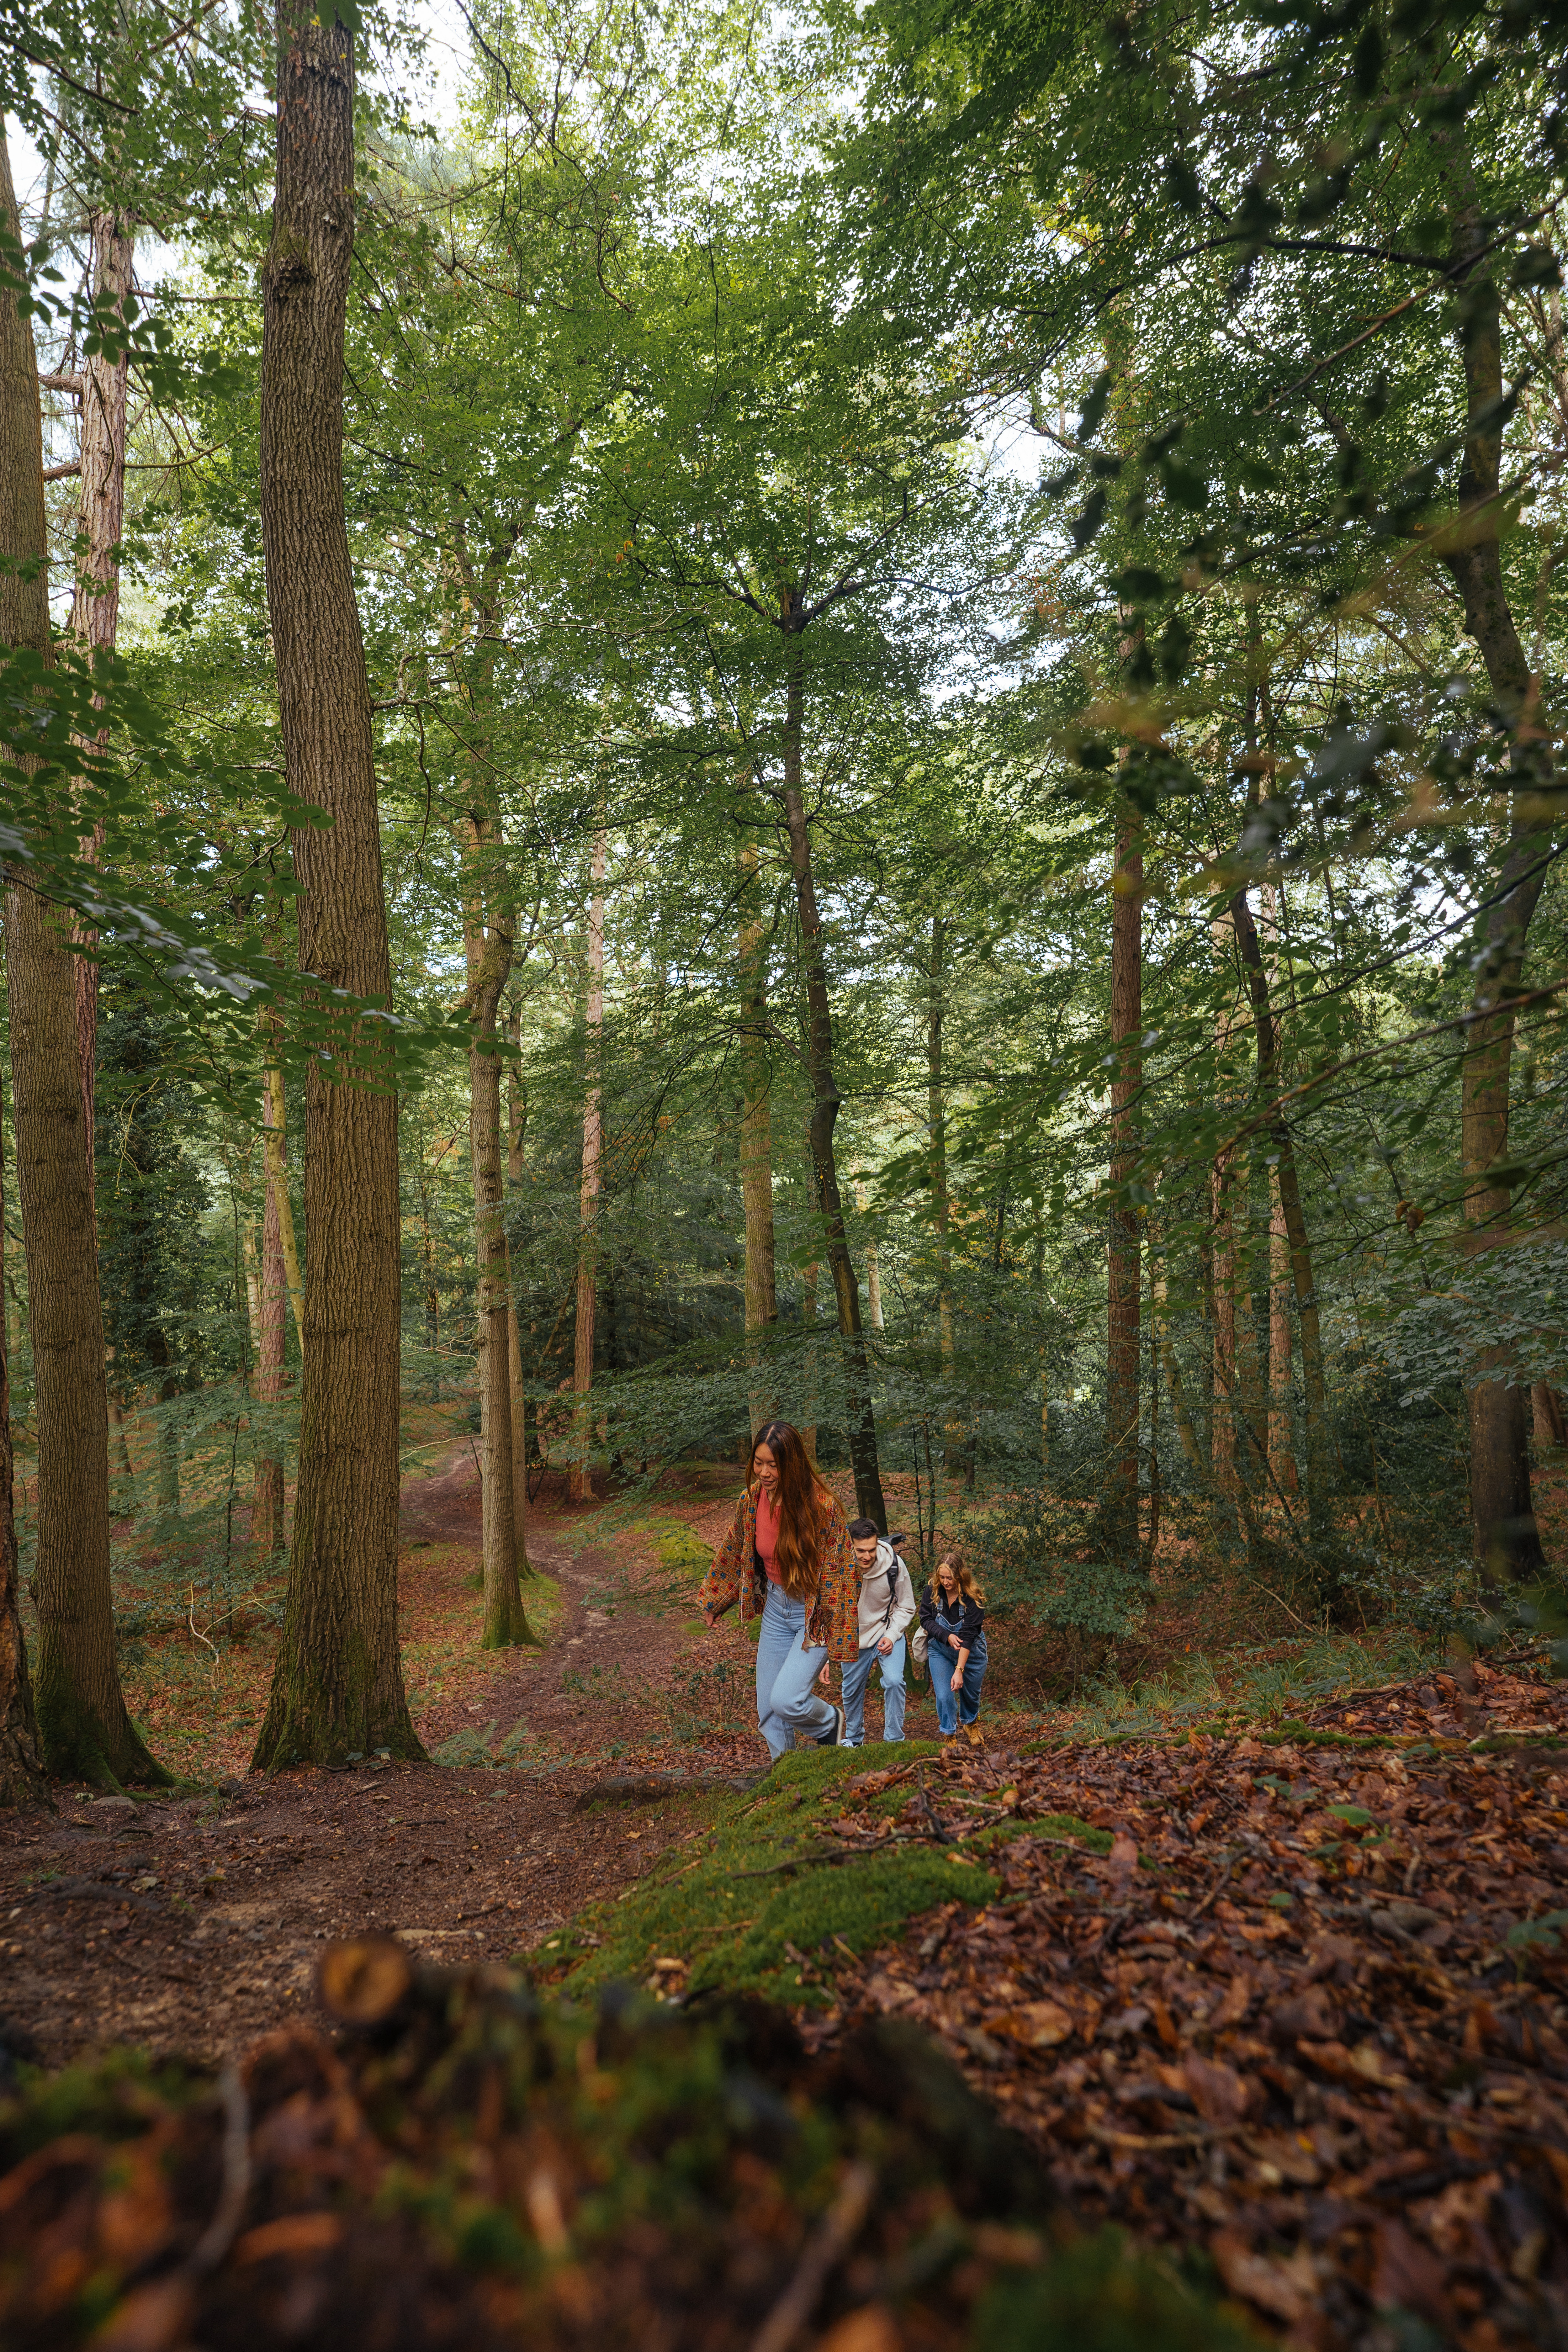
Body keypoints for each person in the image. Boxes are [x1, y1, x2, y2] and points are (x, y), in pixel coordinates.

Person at [699, 1420, 858, 1762]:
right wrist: (717, 1601)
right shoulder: (751, 1500)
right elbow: (734, 1550)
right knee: (768, 1709)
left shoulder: (821, 1507)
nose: (765, 1472)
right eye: (759, 1462)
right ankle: (784, 1775)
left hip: (812, 1611)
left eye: (774, 1464)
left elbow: (841, 1573)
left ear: (793, 1463)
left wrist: (838, 1635)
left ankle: (829, 1724)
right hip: (775, 1606)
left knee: (787, 1700)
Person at [840, 1520, 916, 1746]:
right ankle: (854, 1739)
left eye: (872, 1550)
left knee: (894, 1681)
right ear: (850, 1546)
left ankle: (894, 1740)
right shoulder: (838, 1568)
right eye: (860, 1551)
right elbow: (827, 1610)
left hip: (886, 1631)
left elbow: (907, 1605)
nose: (867, 1556)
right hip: (853, 1638)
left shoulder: (894, 1564)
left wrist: (892, 1635)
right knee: (851, 1690)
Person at [919, 1550, 987, 1743]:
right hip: (940, 1650)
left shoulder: (973, 1598)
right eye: (942, 1577)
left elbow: (968, 1637)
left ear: (960, 1576)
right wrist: (945, 1635)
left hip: (971, 1652)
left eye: (950, 1578)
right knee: (944, 1696)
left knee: (971, 1694)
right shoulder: (933, 1590)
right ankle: (949, 1734)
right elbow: (925, 1618)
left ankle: (971, 1723)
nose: (946, 1582)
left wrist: (959, 1670)